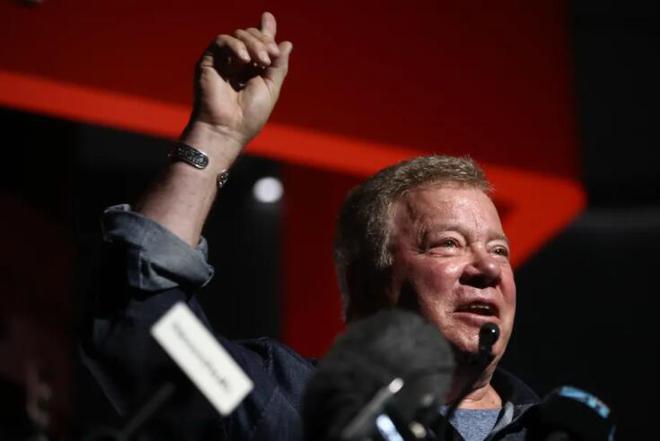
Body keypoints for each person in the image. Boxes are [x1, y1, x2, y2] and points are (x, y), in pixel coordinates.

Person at [80, 12, 539, 441]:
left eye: (499, 250)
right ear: (365, 285)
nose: (488, 269)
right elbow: (142, 322)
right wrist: (215, 136)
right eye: (449, 244)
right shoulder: (285, 406)